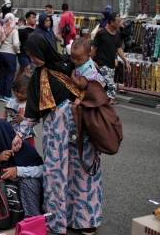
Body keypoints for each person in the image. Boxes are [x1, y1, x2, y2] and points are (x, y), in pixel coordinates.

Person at [14, 33, 102, 235]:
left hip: (82, 130)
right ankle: (58, 221)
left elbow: (96, 83)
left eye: (34, 55)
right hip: (55, 135)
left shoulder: (71, 62)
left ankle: (86, 221)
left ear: (43, 50)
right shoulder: (38, 77)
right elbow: (33, 113)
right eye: (29, 56)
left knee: (83, 173)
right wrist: (20, 134)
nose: (32, 60)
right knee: (56, 176)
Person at [91, 12, 131, 104]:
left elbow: (119, 48)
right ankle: (108, 100)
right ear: (112, 22)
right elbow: (94, 49)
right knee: (111, 84)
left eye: (120, 21)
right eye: (118, 22)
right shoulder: (101, 33)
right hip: (101, 62)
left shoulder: (116, 34)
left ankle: (105, 100)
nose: (120, 24)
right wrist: (91, 61)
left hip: (111, 63)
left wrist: (126, 61)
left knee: (106, 83)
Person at [70, 37, 106, 128]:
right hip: (94, 85)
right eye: (73, 57)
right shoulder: (87, 60)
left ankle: (80, 128)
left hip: (90, 89)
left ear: (89, 55)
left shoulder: (85, 69)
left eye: (78, 59)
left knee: (74, 108)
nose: (75, 61)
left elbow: (81, 85)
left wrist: (72, 77)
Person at [0, 75, 37, 147]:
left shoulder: (30, 104)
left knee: (29, 149)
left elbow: (37, 119)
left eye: (22, 93)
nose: (19, 94)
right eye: (17, 91)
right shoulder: (11, 102)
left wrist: (23, 118)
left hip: (26, 133)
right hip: (12, 131)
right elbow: (6, 111)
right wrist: (1, 118)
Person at [0, 13, 20, 102]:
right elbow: (16, 44)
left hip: (1, 54)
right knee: (10, 75)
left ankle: (2, 94)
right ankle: (7, 95)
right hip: (10, 54)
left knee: (2, 74)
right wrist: (17, 51)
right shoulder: (14, 31)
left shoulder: (0, 29)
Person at [15, 11, 36, 81]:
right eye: (33, 18)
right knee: (27, 68)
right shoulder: (22, 30)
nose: (35, 19)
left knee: (21, 69)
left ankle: (13, 82)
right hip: (22, 53)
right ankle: (28, 88)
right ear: (28, 19)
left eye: (35, 18)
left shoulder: (33, 31)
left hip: (29, 54)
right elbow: (16, 41)